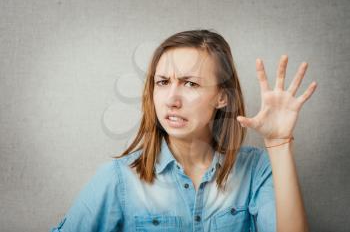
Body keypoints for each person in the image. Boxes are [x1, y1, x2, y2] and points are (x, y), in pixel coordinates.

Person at [50, 29, 317, 232]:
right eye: (163, 82)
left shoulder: (255, 168)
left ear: (222, 97)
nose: (172, 99)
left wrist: (279, 142)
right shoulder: (119, 178)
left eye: (190, 84)